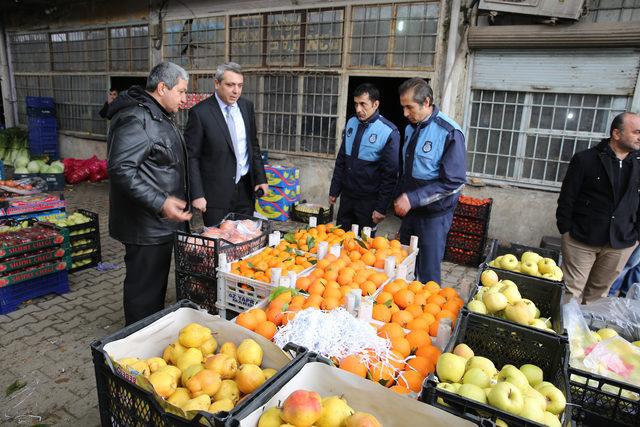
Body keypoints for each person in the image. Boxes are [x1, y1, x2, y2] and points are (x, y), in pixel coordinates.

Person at [106, 62, 192, 325]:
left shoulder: (157, 114)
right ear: (162, 88)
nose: (184, 99)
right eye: (181, 92)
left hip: (159, 224)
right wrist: (161, 201)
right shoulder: (136, 118)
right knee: (144, 293)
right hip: (145, 227)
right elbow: (121, 169)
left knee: (154, 289)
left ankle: (147, 334)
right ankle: (133, 347)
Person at [557, 112, 640, 304]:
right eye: (636, 132)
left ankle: (587, 332)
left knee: (599, 295)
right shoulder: (586, 159)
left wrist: (636, 235)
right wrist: (566, 228)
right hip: (581, 239)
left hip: (620, 242)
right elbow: (567, 197)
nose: (639, 137)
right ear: (617, 134)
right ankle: (566, 332)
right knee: (572, 291)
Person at [394, 78, 466, 284]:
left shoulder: (449, 132)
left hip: (434, 217)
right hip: (411, 213)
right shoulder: (410, 129)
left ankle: (427, 313)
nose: (405, 113)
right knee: (404, 266)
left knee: (427, 276)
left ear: (426, 102)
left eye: (409, 107)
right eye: (403, 107)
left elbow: (454, 182)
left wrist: (413, 198)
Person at [184, 62, 268, 226]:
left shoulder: (246, 107)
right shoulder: (200, 113)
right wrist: (197, 194)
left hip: (245, 189)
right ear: (217, 83)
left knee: (244, 241)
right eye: (230, 85)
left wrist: (260, 177)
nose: (236, 91)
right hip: (215, 194)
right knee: (220, 243)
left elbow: (253, 145)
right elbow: (191, 157)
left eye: (240, 85)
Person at [328, 83, 400, 232]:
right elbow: (342, 159)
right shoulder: (351, 122)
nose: (358, 109)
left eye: (363, 104)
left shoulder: (388, 131)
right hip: (347, 197)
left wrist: (381, 208)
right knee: (340, 238)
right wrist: (334, 190)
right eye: (356, 104)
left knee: (364, 247)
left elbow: (390, 175)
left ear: (375, 104)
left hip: (368, 201)